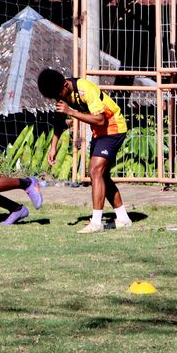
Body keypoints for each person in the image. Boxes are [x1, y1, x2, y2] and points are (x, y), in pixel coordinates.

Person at [37, 68, 132, 233]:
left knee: (95, 171)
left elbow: (101, 120)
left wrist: (72, 112)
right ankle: (123, 218)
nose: (59, 97)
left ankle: (96, 223)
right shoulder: (60, 92)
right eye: (55, 96)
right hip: (99, 132)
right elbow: (59, 122)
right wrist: (53, 147)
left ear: (66, 84)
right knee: (101, 175)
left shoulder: (84, 88)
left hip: (114, 128)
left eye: (60, 93)